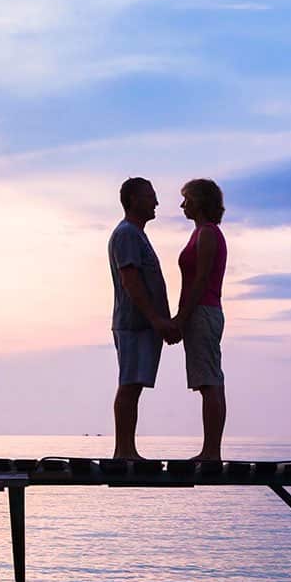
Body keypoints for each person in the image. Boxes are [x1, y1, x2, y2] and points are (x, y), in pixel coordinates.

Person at [109, 176, 177, 459]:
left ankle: (127, 449)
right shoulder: (127, 234)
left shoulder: (137, 234)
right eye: (151, 196)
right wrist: (156, 319)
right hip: (134, 324)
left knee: (134, 386)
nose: (157, 202)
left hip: (143, 325)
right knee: (129, 385)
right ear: (134, 199)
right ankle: (124, 450)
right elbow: (131, 279)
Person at [174, 177, 227, 463]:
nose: (183, 205)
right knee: (209, 381)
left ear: (200, 201)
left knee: (209, 381)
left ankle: (211, 452)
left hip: (203, 312)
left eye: (187, 199)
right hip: (202, 311)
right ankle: (210, 450)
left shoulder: (207, 233)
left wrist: (181, 318)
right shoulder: (201, 233)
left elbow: (201, 279)